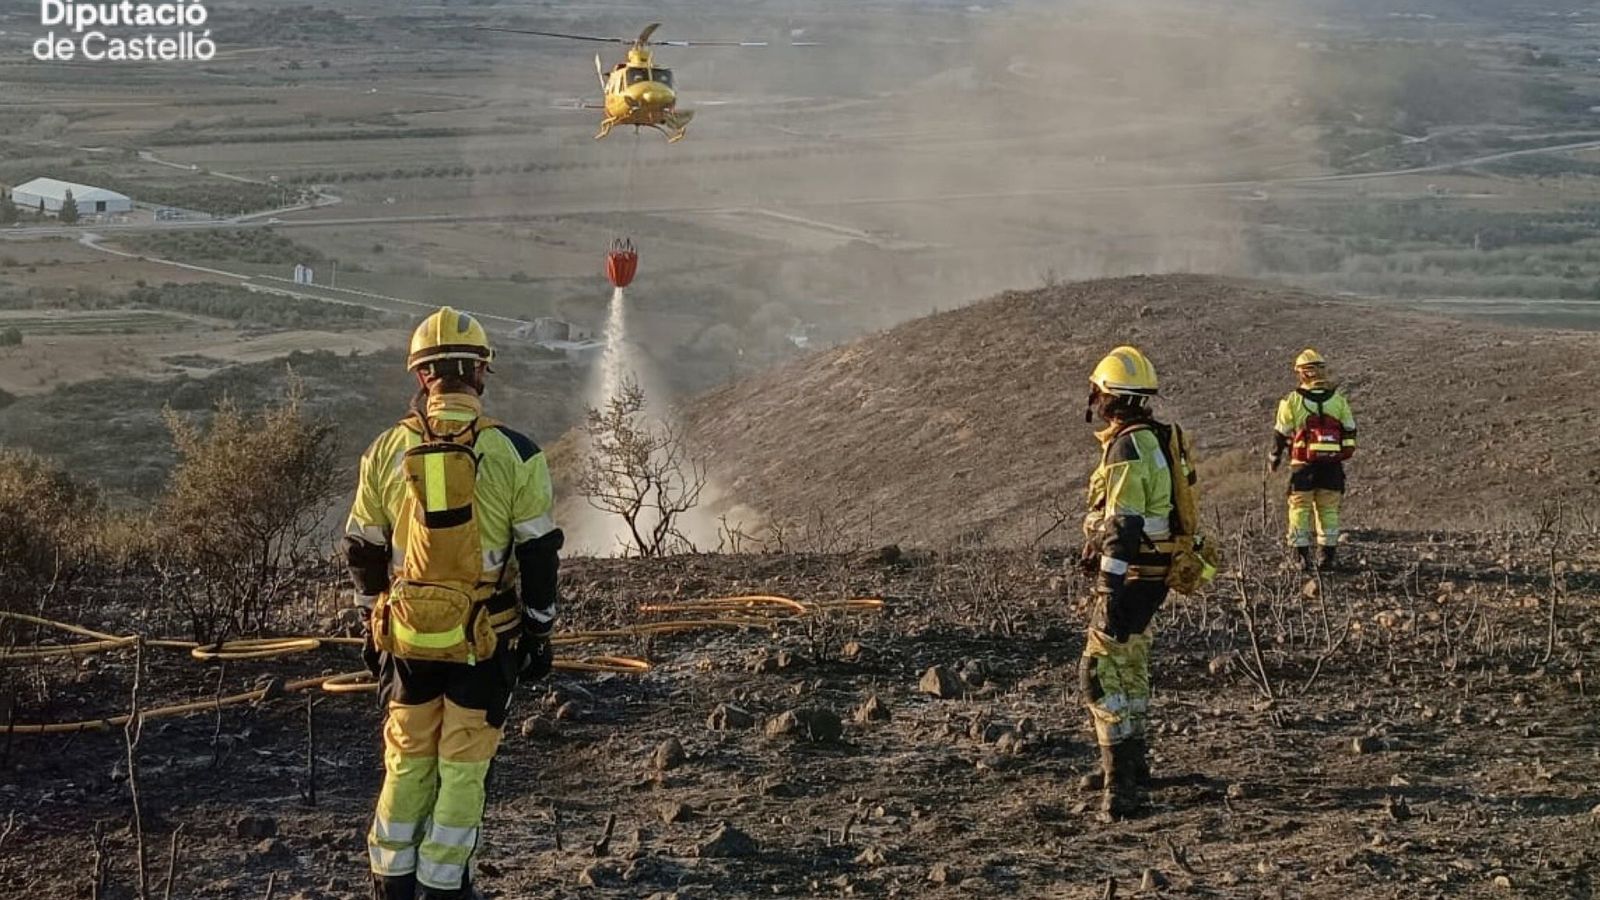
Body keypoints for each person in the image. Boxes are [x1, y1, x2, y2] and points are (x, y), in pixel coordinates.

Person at [344, 306, 563, 900]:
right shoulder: (517, 454)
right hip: (486, 639)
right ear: (482, 374)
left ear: (421, 377)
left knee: (408, 758)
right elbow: (539, 554)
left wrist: (373, 620)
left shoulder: (385, 449)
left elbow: (362, 546)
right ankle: (446, 886)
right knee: (463, 766)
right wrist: (539, 633)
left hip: (408, 637)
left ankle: (391, 881)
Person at [1078, 345, 1201, 822]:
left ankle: (1119, 784)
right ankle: (1133, 763)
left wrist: (1108, 589)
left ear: (1113, 395)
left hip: (1132, 573)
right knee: (1130, 662)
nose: (1095, 399)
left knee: (1097, 673)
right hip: (1156, 572)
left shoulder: (1127, 446)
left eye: (1099, 391)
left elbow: (1123, 525)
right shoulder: (1157, 438)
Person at [1269, 348, 1357, 571]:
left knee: (1299, 509)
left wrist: (1275, 458)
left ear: (1302, 373)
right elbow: (1350, 431)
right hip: (1332, 467)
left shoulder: (1292, 401)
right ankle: (1327, 557)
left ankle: (1300, 558)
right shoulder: (1338, 400)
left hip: (1303, 467)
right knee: (1328, 510)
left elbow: (1280, 434)